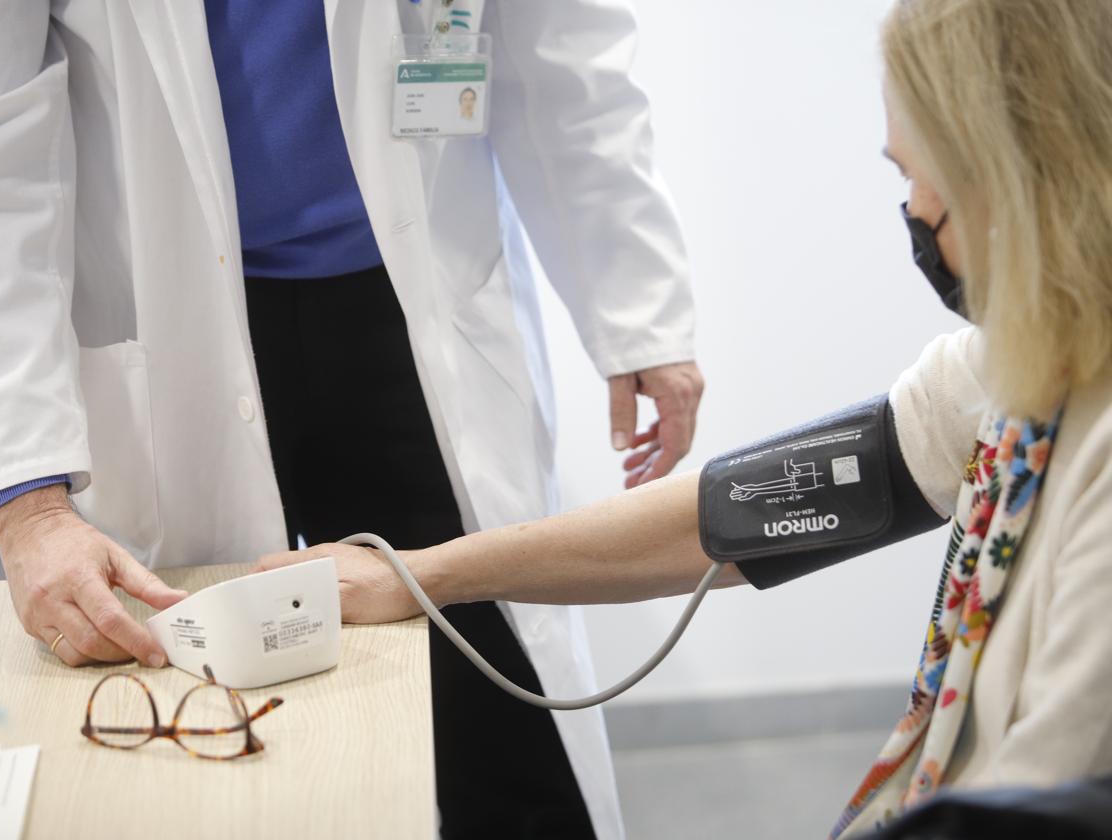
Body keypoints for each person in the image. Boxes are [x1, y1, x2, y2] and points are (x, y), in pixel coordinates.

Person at [256, 0, 1112, 835]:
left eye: (922, 177)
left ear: (1028, 171)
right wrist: (421, 575)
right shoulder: (1003, 373)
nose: (915, 214)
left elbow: (1044, 806)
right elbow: (736, 513)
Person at [0, 2, 704, 838]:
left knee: (496, 706)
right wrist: (28, 507)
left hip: (412, 305)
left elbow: (563, 51)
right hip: (167, 321)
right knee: (197, 730)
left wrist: (636, 310)